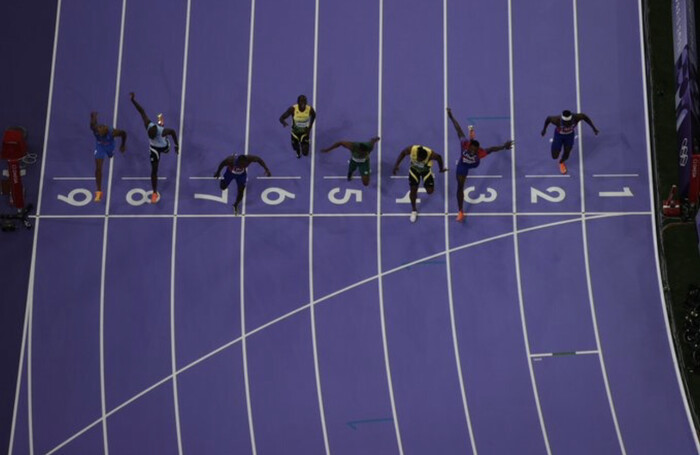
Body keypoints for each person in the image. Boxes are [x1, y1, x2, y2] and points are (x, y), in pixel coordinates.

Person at [447, 108, 513, 222]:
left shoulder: (480, 152)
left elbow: (492, 149)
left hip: (473, 165)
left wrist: (503, 146)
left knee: (483, 154)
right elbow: (458, 129)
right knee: (460, 186)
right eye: (471, 149)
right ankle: (460, 211)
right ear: (469, 146)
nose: (473, 151)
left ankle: (472, 131)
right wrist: (451, 116)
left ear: (477, 148)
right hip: (462, 166)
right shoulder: (464, 143)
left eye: (475, 150)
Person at [129, 92, 179, 203]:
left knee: (162, 128)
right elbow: (141, 111)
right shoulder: (147, 124)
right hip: (154, 149)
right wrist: (133, 100)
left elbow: (173, 132)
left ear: (156, 133)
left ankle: (161, 121)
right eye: (149, 135)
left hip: (164, 146)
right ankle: (155, 192)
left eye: (152, 135)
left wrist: (176, 145)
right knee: (154, 170)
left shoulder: (162, 132)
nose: (150, 136)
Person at [393, 144, 446, 223]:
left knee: (430, 191)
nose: (419, 160)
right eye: (418, 159)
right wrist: (396, 165)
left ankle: (426, 183)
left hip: (426, 171)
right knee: (413, 190)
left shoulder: (431, 154)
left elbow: (439, 158)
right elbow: (402, 153)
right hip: (414, 171)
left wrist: (441, 169)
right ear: (417, 154)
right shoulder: (412, 149)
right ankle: (414, 211)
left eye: (421, 160)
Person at [541, 109, 599, 174]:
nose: (567, 124)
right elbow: (548, 119)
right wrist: (544, 130)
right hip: (559, 136)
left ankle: (561, 162)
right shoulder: (556, 119)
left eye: (569, 122)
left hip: (569, 136)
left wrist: (594, 128)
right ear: (562, 120)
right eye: (565, 123)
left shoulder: (576, 117)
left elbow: (584, 117)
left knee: (567, 154)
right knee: (554, 156)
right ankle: (557, 147)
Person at [90, 111, 127, 202]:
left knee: (110, 156)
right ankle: (99, 191)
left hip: (110, 146)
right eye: (99, 132)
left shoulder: (112, 132)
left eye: (101, 133)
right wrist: (93, 116)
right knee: (98, 168)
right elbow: (93, 122)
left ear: (105, 131)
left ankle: (110, 154)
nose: (100, 134)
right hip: (100, 147)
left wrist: (122, 145)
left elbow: (124, 134)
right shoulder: (94, 128)